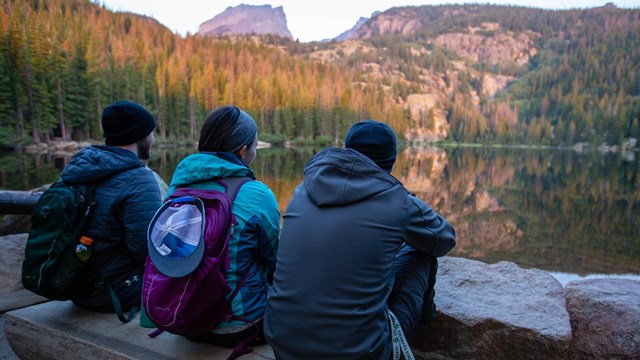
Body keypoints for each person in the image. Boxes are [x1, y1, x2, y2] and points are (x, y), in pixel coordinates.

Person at [264, 120, 456, 359]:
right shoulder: (399, 202)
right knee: (422, 253)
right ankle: (425, 325)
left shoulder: (303, 189)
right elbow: (444, 239)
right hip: (360, 353)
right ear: (391, 162)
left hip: (282, 344)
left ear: (346, 151)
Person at [167, 105, 280, 349]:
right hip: (240, 326)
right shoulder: (256, 194)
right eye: (255, 143)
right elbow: (277, 261)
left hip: (185, 319)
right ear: (243, 150)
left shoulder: (177, 188)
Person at [60, 100, 162, 313]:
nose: (154, 139)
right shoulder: (139, 179)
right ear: (140, 136)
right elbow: (146, 250)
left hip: (73, 282)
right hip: (114, 291)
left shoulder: (78, 169)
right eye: (152, 133)